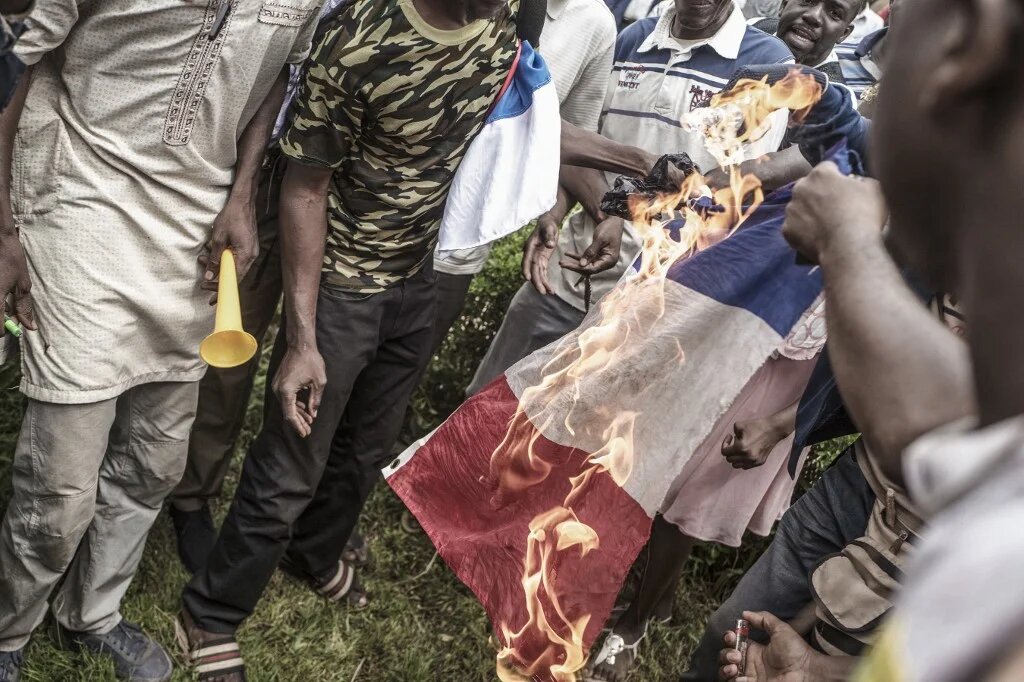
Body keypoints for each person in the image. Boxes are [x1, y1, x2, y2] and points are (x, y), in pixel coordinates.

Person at [177, 1, 526, 678]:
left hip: (420, 272)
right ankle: (210, 612)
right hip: (344, 282)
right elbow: (306, 188)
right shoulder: (361, 36)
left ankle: (313, 552)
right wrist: (303, 338)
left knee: (368, 444)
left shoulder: (506, 20)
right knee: (294, 457)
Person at [0, 1, 322, 681]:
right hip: (82, 185)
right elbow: (17, 63)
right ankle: (8, 630)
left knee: (155, 457)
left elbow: (274, 78)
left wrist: (241, 191)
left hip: (194, 219)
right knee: (62, 483)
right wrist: (2, 230)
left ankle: (91, 614)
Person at [469, 0, 793, 399]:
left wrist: (623, 212)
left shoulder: (766, 64)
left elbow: (730, 197)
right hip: (567, 276)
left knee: (569, 448)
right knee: (483, 407)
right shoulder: (630, 40)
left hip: (648, 310)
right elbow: (576, 143)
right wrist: (566, 209)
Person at [169, 0, 351, 576]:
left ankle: (218, 496)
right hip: (226, 156)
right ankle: (164, 485)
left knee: (269, 350)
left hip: (318, 183)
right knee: (199, 331)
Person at [430, 0, 618, 360]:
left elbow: (568, 140)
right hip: (373, 233)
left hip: (454, 250)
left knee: (391, 391)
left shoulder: (594, 22)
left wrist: (553, 213)